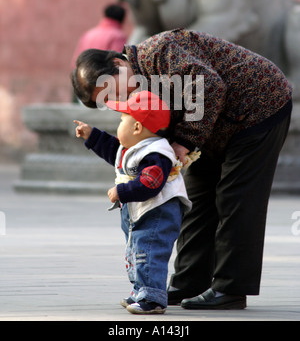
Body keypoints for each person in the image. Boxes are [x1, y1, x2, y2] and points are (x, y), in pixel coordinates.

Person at [71, 28, 293, 310]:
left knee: (236, 199)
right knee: (198, 197)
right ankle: (190, 281)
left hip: (259, 107)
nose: (122, 96)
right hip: (215, 128)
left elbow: (209, 85)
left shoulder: (159, 52)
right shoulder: (140, 84)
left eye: (114, 89)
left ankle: (231, 287)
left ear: (118, 63)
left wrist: (184, 142)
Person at [74, 90, 192, 314]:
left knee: (149, 251)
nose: (118, 126)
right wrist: (91, 135)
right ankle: (141, 290)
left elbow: (150, 183)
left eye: (121, 121)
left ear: (137, 128)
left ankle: (153, 298)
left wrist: (122, 191)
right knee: (137, 250)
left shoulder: (157, 153)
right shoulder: (133, 148)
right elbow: (112, 150)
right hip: (141, 211)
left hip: (158, 213)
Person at [71, 3, 127, 67]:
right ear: (122, 19)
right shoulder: (118, 36)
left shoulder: (89, 33)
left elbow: (76, 60)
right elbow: (117, 62)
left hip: (84, 73)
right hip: (102, 75)